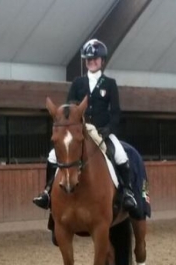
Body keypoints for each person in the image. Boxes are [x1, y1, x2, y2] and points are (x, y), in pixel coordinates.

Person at [33, 39, 137, 211]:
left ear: (102, 61)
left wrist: (109, 129)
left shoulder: (109, 84)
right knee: (52, 156)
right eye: (89, 59)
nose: (92, 62)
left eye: (95, 59)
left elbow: (116, 111)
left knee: (120, 155)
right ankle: (47, 191)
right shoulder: (78, 83)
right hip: (80, 130)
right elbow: (68, 110)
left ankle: (127, 192)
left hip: (102, 131)